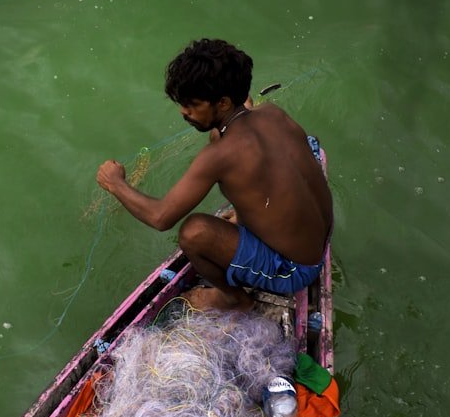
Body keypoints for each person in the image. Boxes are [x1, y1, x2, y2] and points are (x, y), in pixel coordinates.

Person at [96, 38, 332, 311]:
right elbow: (246, 132)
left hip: (295, 270)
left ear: (222, 103)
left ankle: (233, 299)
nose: (184, 112)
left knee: (194, 232)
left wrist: (115, 183)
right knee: (231, 139)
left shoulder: (218, 158)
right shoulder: (272, 113)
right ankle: (247, 222)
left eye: (192, 105)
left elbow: (160, 218)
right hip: (321, 236)